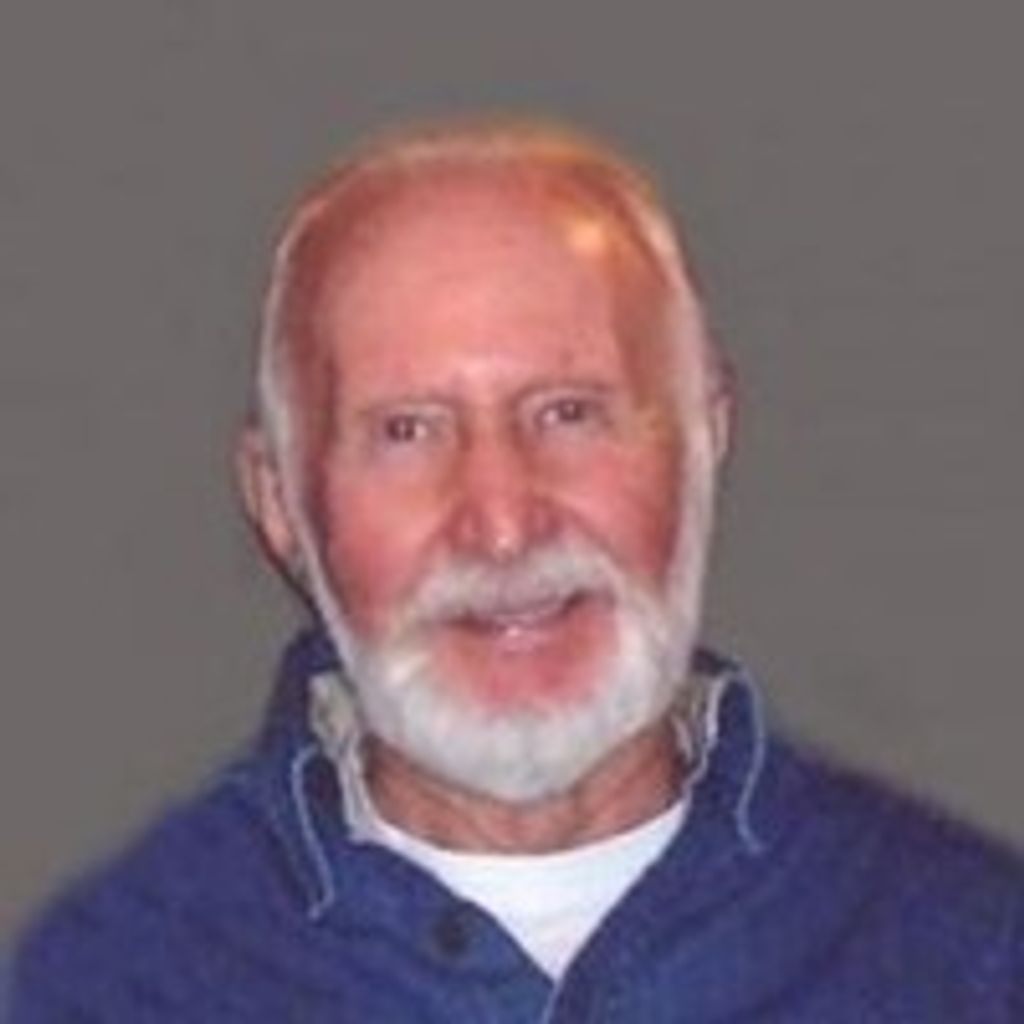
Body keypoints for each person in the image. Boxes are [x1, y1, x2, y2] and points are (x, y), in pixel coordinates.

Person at [9, 116, 1023, 1022]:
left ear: (705, 433)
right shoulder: (97, 987)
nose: (500, 524)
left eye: (568, 413)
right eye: (407, 431)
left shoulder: (980, 957)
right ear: (278, 499)